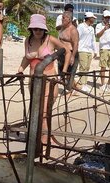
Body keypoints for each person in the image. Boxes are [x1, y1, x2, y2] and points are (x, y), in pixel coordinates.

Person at [17, 14, 71, 143]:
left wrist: (64, 70)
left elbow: (67, 51)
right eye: (35, 29)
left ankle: (44, 140)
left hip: (49, 81)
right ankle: (38, 136)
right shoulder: (27, 40)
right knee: (36, 108)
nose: (38, 31)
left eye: (40, 29)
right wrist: (20, 69)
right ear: (31, 29)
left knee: (45, 111)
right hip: (33, 80)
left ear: (44, 29)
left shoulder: (50, 40)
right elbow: (27, 58)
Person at [58, 10, 79, 88]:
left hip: (71, 53)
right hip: (61, 54)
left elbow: (76, 44)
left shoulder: (73, 30)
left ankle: (70, 89)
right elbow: (59, 40)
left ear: (69, 19)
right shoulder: (62, 28)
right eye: (62, 18)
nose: (62, 19)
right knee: (61, 73)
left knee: (70, 74)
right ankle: (69, 87)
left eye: (64, 18)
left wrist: (73, 56)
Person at [76, 12, 96, 93]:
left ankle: (84, 83)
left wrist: (95, 51)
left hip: (89, 51)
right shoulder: (81, 26)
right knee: (83, 68)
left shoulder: (91, 28)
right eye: (93, 18)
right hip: (82, 50)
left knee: (87, 68)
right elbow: (77, 38)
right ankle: (82, 84)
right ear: (88, 18)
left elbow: (93, 40)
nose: (94, 19)